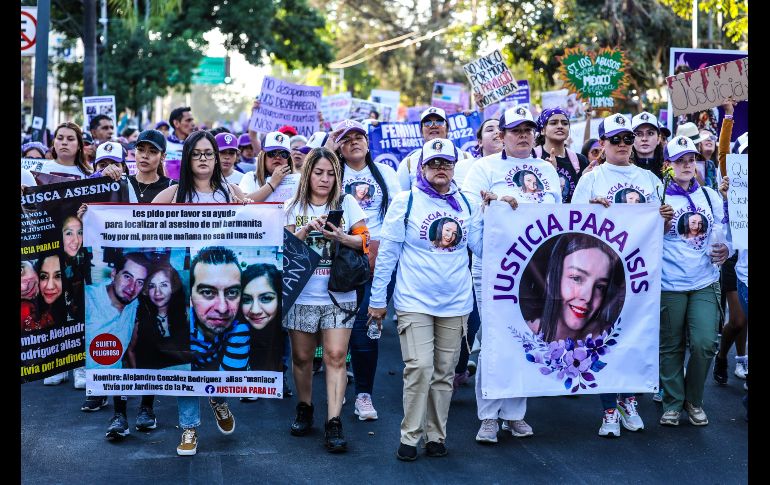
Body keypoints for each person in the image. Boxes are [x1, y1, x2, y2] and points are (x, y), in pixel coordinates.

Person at [369, 138, 482, 460]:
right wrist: (378, 300)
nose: (440, 169)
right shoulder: (406, 202)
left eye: (446, 163)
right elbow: (388, 255)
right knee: (419, 367)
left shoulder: (468, 203)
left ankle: (436, 435)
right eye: (434, 163)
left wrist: (502, 212)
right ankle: (410, 435)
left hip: (456, 302)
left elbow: (483, 247)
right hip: (413, 301)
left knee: (445, 371)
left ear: (454, 167)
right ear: (422, 168)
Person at [572, 112, 674, 437]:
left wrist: (667, 217)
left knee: (634, 336)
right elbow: (573, 223)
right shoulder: (591, 178)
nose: (622, 144)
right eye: (614, 139)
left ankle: (629, 400)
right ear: (602, 143)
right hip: (604, 272)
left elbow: (662, 227)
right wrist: (592, 209)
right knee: (602, 337)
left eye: (627, 138)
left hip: (640, 273)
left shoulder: (650, 180)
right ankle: (607, 410)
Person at [462, 106, 559, 444]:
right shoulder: (483, 169)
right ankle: (489, 416)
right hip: (493, 267)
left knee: (526, 337)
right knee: (493, 339)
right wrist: (491, 214)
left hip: (536, 269)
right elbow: (469, 223)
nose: (523, 135)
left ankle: (515, 414)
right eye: (515, 130)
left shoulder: (547, 169)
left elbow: (558, 220)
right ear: (501, 136)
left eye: (528, 130)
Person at [284, 147, 368, 453]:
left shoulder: (347, 203)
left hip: (339, 293)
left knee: (335, 355)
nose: (325, 179)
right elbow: (284, 250)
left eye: (331, 173)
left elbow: (365, 241)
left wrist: (340, 237)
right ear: (308, 174)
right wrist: (305, 231)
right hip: (302, 293)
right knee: (303, 358)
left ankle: (334, 421)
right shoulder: (293, 206)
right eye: (319, 172)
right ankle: (305, 407)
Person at [325, 119, 401, 422]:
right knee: (337, 328)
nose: (354, 142)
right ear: (339, 147)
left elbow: (396, 217)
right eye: (346, 139)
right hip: (340, 261)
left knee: (365, 328)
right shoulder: (332, 173)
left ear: (368, 143)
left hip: (377, 263)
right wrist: (328, 152)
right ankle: (338, 381)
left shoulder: (386, 174)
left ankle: (364, 394)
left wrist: (380, 251)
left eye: (359, 137)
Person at [658, 135, 729, 427]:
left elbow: (725, 234)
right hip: (669, 282)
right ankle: (672, 402)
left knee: (704, 343)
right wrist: (659, 221)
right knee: (671, 345)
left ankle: (694, 399)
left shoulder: (711, 195)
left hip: (704, 280)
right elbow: (644, 237)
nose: (687, 165)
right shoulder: (659, 196)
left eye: (691, 159)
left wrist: (727, 250)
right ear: (669, 165)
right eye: (679, 161)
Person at [84, 251, 151, 440]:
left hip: (114, 371)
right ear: (114, 274)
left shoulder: (136, 303)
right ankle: (101, 395)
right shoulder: (88, 299)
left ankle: (136, 411)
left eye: (139, 282)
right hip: (92, 374)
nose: (132, 287)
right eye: (127, 277)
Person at [525, 234, 624, 342]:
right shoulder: (521, 333)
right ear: (552, 278)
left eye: (600, 287)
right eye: (576, 278)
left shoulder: (613, 337)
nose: (587, 297)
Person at [713, 97, 748, 385]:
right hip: (734, 256)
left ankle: (742, 360)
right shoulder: (729, 179)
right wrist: (728, 116)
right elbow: (723, 152)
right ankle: (723, 356)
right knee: (737, 320)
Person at [152, 130, 248, 204]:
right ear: (187, 158)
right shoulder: (171, 195)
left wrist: (249, 208)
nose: (203, 158)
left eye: (209, 153)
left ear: (216, 158)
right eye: (195, 154)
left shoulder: (234, 192)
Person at [396, 107, 473, 190]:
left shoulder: (467, 158)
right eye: (427, 122)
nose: (433, 126)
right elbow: (401, 197)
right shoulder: (408, 163)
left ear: (447, 129)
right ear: (421, 131)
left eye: (439, 122)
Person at [534, 108, 589, 202]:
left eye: (564, 123)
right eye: (553, 123)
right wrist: (548, 172)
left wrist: (586, 180)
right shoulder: (532, 156)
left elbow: (585, 197)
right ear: (543, 130)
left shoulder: (581, 160)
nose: (560, 126)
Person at [240, 264, 284, 372]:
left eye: (266, 298)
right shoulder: (232, 335)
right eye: (246, 299)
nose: (255, 310)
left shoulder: (288, 337)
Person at [238, 132, 293, 202]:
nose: (278, 157)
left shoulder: (298, 179)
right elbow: (242, 202)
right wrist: (272, 184)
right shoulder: (251, 177)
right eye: (272, 153)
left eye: (284, 153)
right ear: (263, 156)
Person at [129, 129, 177, 201]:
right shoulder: (124, 183)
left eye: (152, 151)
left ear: (163, 157)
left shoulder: (173, 187)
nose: (145, 156)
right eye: (141, 150)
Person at [630, 112, 665, 179]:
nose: (644, 139)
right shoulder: (623, 168)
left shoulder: (669, 168)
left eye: (650, 133)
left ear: (658, 139)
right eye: (638, 134)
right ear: (631, 139)